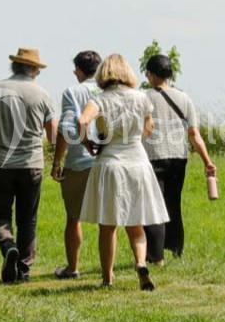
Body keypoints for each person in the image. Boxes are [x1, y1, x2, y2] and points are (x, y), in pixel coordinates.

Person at [77, 54, 168, 291]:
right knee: (136, 223)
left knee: (108, 225)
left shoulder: (99, 99)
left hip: (111, 162)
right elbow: (148, 129)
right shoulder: (142, 98)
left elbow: (82, 121)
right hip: (138, 161)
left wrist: (88, 144)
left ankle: (107, 276)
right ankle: (140, 263)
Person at [0, 48, 58, 284]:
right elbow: (53, 135)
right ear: (33, 70)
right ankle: (24, 268)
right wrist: (57, 161)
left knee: (0, 216)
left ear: (15, 66)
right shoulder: (43, 95)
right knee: (27, 219)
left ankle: (8, 245)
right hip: (31, 164)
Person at [142, 54, 217, 264]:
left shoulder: (143, 97)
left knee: (153, 206)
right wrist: (207, 161)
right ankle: (176, 248)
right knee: (173, 203)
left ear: (151, 74)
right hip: (178, 157)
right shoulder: (184, 98)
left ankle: (155, 254)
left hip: (152, 157)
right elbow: (194, 134)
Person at [50, 50, 102, 280]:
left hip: (79, 162)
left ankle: (73, 268)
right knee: (107, 220)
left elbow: (66, 128)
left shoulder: (72, 92)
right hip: (106, 161)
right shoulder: (108, 91)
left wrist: (57, 161)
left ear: (78, 71)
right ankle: (106, 270)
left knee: (74, 218)